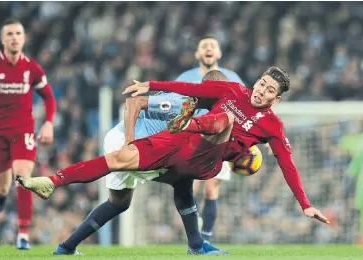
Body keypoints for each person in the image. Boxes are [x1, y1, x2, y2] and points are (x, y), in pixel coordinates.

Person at [17, 68, 329, 248]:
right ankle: (54, 181)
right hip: (179, 145)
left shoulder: (272, 125)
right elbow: (187, 87)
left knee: (224, 124)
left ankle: (197, 242)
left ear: (277, 98)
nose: (261, 90)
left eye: (269, 90)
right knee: (121, 170)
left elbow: (287, 164)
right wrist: (151, 85)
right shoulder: (231, 90)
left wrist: (304, 203)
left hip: (208, 157)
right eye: (262, 83)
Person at [51, 71, 231, 255]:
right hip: (128, 141)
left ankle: (66, 247)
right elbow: (133, 103)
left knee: (119, 203)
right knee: (183, 178)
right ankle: (196, 245)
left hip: (141, 145)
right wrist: (129, 143)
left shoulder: (214, 111)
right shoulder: (184, 101)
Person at [0, 18, 56, 250]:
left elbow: (49, 97)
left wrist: (48, 123)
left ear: (24, 38)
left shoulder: (32, 68)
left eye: (18, 33)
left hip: (23, 130)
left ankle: (23, 233)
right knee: (1, 187)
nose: (14, 37)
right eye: (10, 34)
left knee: (23, 178)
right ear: (2, 39)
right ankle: (0, 196)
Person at [176, 35, 244, 241]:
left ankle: (204, 237)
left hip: (220, 139)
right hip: (191, 138)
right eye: (204, 46)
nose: (208, 48)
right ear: (197, 54)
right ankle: (195, 233)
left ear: (219, 53)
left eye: (212, 45)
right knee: (189, 186)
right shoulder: (185, 78)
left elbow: (244, 107)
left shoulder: (231, 77)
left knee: (212, 187)